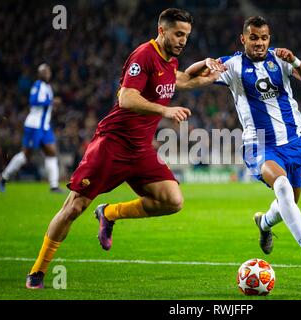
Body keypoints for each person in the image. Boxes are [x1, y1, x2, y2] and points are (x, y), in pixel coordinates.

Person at [25, 8, 226, 289]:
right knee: (74, 207)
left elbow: (181, 79)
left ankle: (109, 213)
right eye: (178, 34)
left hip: (140, 150)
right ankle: (38, 270)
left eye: (187, 35)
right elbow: (127, 98)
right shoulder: (144, 55)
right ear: (162, 30)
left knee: (172, 201)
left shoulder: (169, 60)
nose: (183, 40)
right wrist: (165, 111)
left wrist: (211, 74)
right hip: (112, 144)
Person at [186, 16, 301, 276]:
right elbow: (190, 75)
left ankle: (264, 223)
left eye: (263, 38)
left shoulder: (280, 59)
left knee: (289, 203)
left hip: (294, 142)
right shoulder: (233, 64)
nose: (259, 43)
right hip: (260, 143)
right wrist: (203, 61)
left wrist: (294, 59)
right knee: (282, 186)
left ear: (269, 39)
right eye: (253, 37)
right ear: (243, 39)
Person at [0, 64, 64, 193]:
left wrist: (52, 106)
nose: (46, 74)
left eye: (48, 71)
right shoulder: (37, 85)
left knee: (52, 152)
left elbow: (46, 106)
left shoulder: (48, 87)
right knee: (26, 155)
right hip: (34, 125)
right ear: (39, 74)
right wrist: (51, 102)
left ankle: (54, 186)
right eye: (43, 72)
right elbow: (33, 101)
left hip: (44, 127)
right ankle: (3, 177)